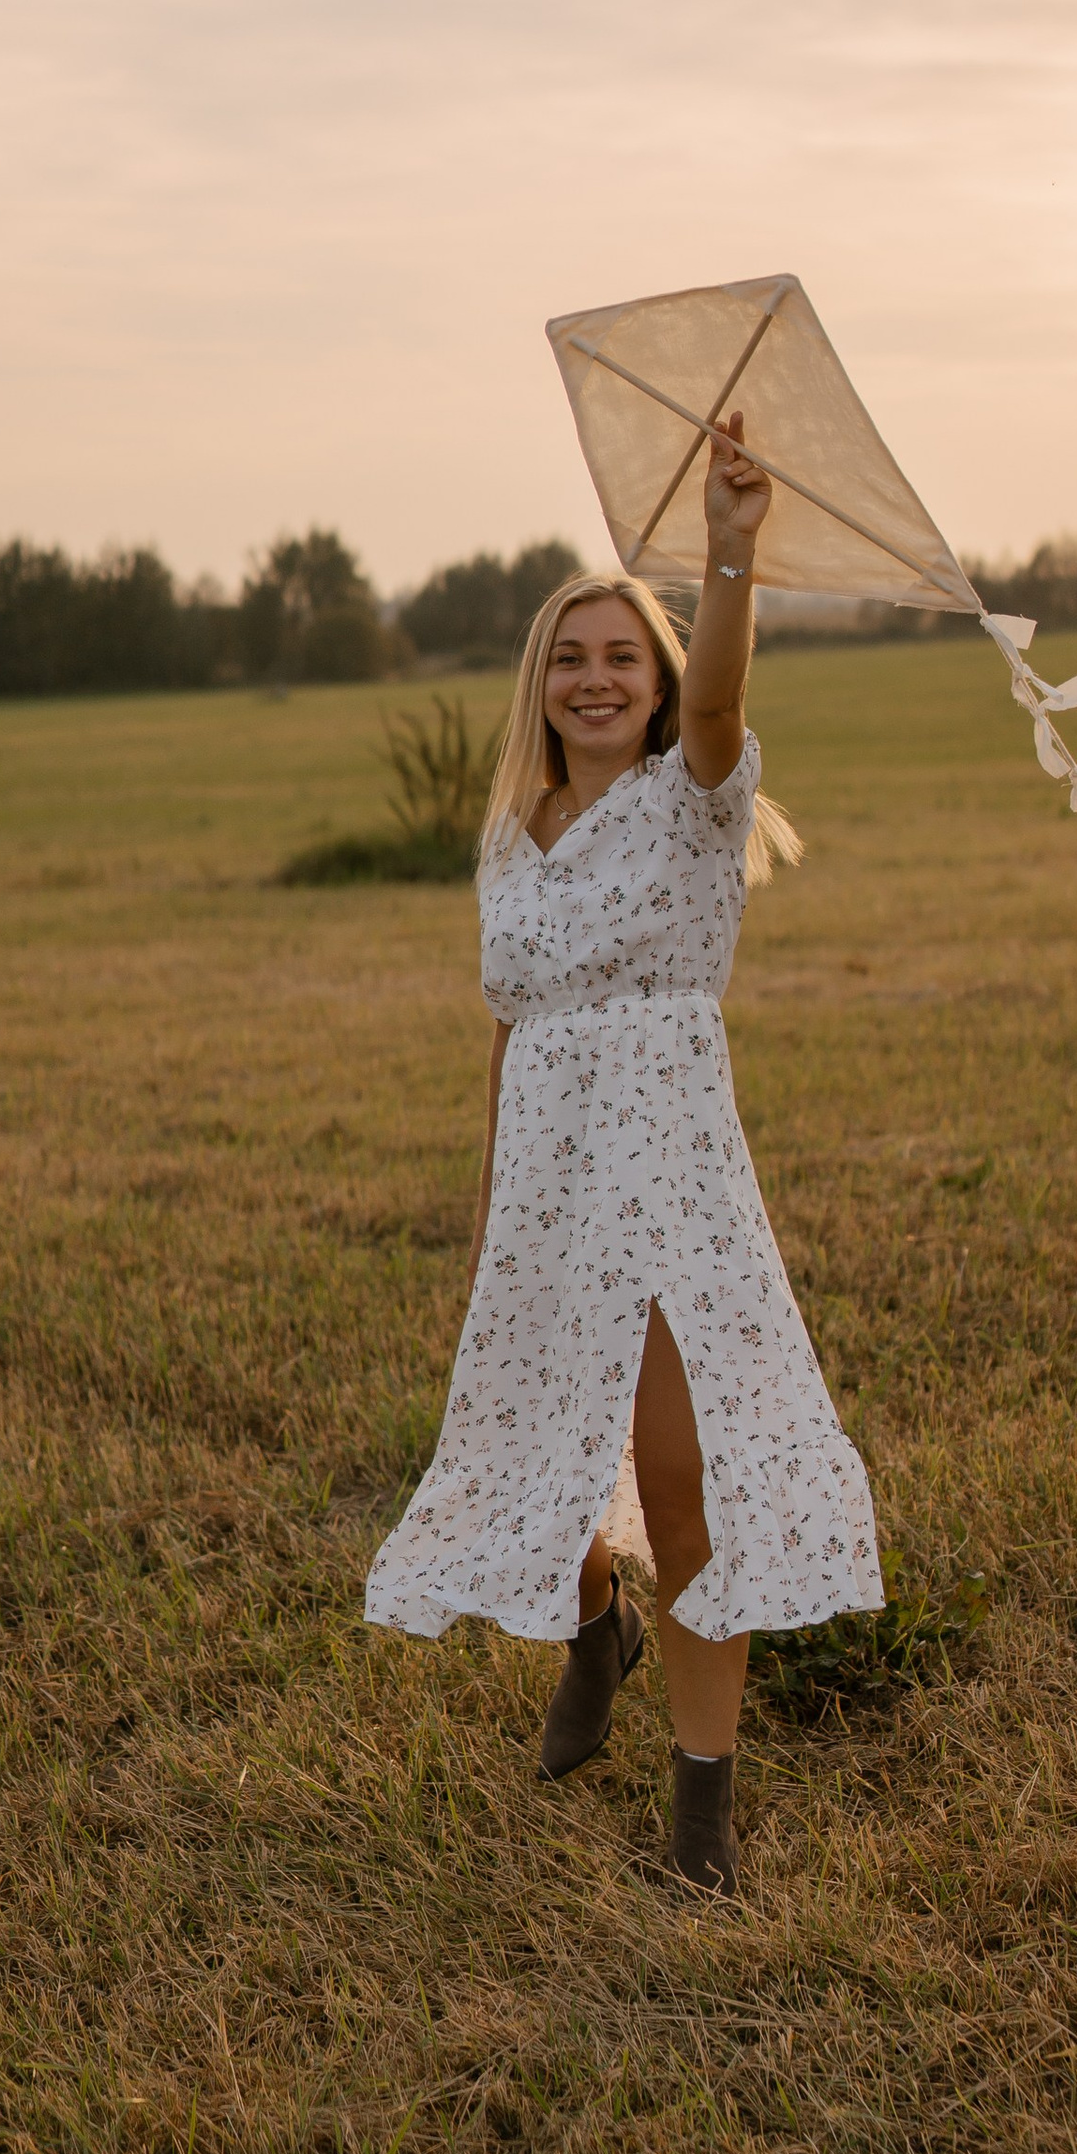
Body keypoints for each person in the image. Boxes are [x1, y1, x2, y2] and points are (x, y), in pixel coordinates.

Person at [363, 415, 883, 1893]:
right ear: (540, 686)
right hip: (545, 1191)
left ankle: (701, 1820)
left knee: (677, 1478)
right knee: (541, 1464)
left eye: (622, 657)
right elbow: (508, 1036)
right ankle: (598, 1625)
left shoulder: (691, 804)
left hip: (670, 1185)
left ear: (654, 687)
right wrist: (486, 1229)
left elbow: (723, 696)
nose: (596, 676)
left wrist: (727, 554)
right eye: (569, 658)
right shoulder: (512, 837)